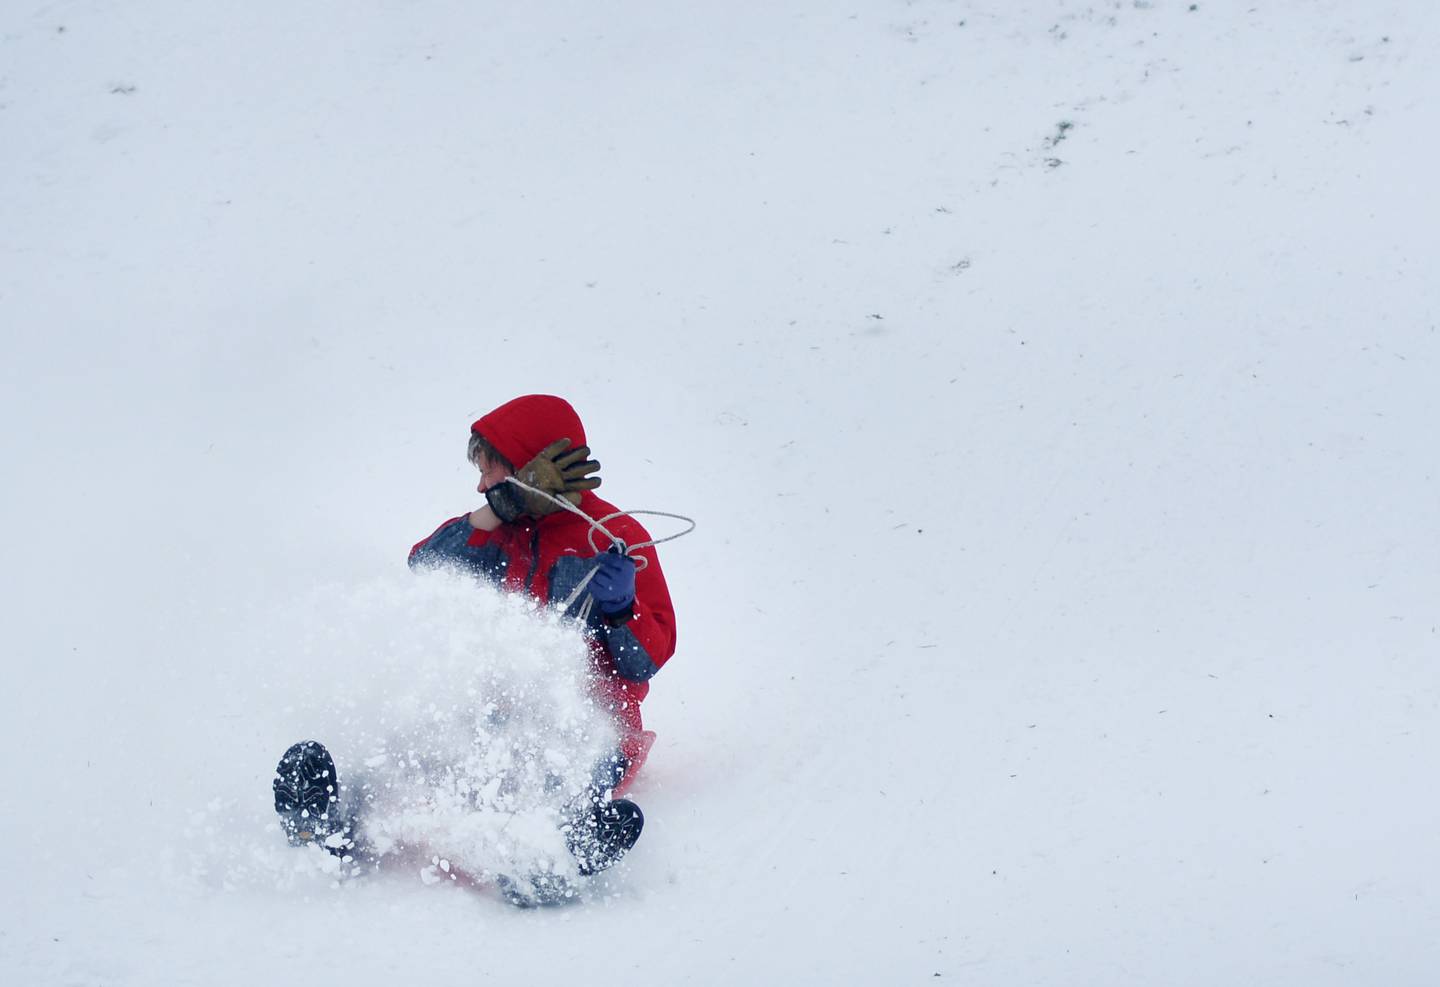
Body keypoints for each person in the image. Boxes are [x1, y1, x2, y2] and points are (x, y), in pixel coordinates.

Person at [273, 394, 677, 900]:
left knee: (568, 768)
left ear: (530, 467)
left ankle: (551, 856)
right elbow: (425, 569)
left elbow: (650, 657)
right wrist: (489, 516)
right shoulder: (498, 530)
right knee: (416, 751)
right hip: (490, 714)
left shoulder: (615, 537)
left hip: (585, 725)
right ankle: (330, 820)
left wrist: (621, 614)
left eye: (490, 471)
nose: (480, 484)